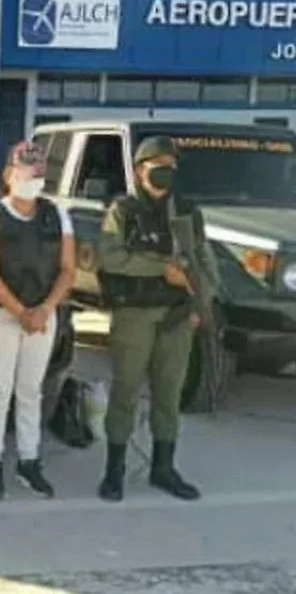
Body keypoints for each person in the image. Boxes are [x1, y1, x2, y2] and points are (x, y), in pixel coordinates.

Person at [96, 135, 213, 503]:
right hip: (135, 312)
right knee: (125, 390)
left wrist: (200, 305)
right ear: (139, 170)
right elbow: (111, 258)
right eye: (158, 165)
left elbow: (204, 261)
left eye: (171, 166)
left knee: (169, 394)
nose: (166, 171)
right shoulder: (123, 210)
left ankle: (163, 468)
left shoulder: (187, 212)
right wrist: (162, 269)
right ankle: (114, 471)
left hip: (177, 314)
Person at [0, 140, 76, 501]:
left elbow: (67, 269)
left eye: (38, 173)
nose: (33, 179)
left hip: (43, 314)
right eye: (25, 172)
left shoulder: (56, 214)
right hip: (0, 313)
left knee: (31, 390)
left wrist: (45, 309)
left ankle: (29, 461)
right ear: (8, 175)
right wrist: (22, 312)